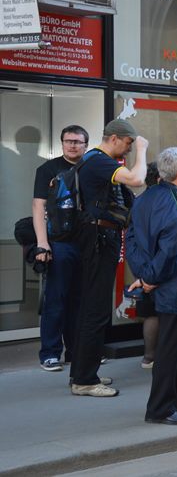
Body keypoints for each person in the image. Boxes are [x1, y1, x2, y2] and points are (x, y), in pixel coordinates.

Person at [126, 147, 177, 425]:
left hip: (164, 283)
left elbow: (133, 240)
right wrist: (149, 278)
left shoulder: (146, 197)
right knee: (172, 348)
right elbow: (172, 248)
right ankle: (160, 407)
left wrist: (144, 275)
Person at [70, 119, 147, 397]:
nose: (127, 151)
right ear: (115, 138)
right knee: (96, 310)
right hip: (98, 240)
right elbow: (137, 179)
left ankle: (83, 372)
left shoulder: (97, 161)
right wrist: (143, 149)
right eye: (127, 143)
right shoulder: (99, 161)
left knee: (94, 308)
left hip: (100, 238)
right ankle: (84, 381)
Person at [32, 125, 89, 371]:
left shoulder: (91, 167)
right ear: (62, 143)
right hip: (59, 243)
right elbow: (38, 207)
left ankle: (77, 353)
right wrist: (42, 244)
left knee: (80, 301)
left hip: (86, 244)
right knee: (56, 299)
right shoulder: (48, 169)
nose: (73, 145)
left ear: (86, 144)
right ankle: (50, 353)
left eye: (78, 141)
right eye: (68, 141)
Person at [137, 162, 161, 369]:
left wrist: (142, 274)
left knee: (150, 314)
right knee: (163, 314)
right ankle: (158, 357)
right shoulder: (164, 202)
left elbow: (131, 241)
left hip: (143, 268)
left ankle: (149, 356)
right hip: (161, 267)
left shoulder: (138, 201)